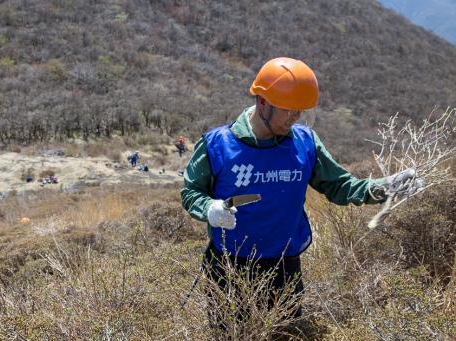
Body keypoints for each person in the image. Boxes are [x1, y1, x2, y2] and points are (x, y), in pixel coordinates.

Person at [181, 57, 423, 326]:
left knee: (285, 340)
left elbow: (341, 186)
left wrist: (387, 187)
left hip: (284, 265)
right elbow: (191, 192)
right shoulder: (217, 144)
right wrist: (210, 209)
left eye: (300, 111)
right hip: (228, 265)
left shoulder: (305, 143)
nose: (295, 117)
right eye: (288, 109)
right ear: (263, 102)